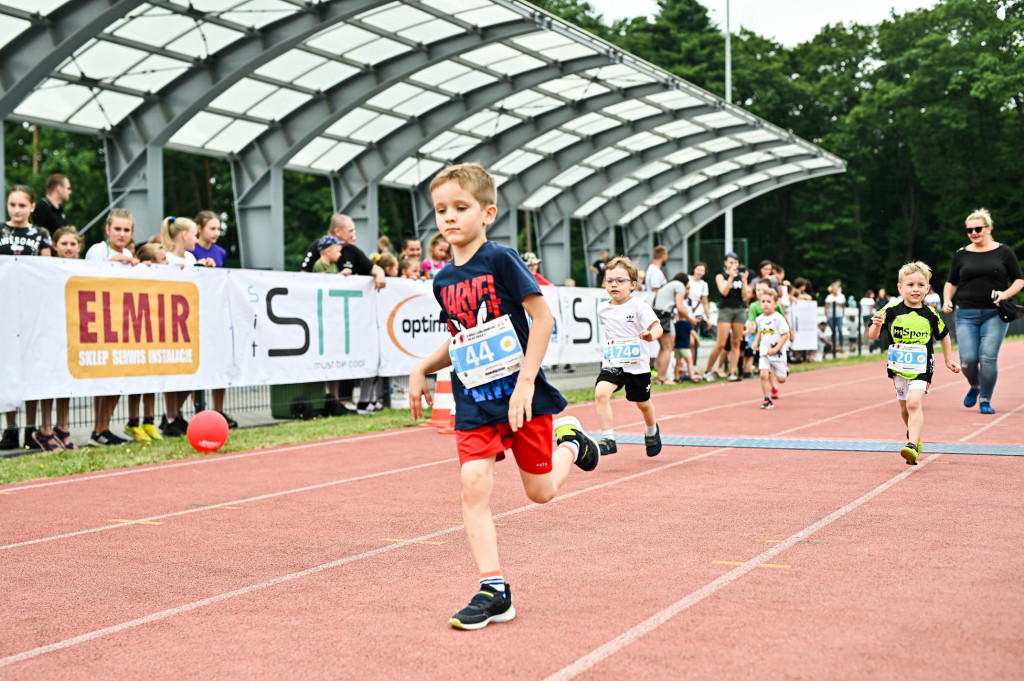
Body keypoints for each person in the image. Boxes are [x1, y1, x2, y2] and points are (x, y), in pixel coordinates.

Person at [408, 162, 599, 630]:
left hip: (522, 397)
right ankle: (494, 590)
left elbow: (543, 319)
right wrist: (420, 367)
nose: (449, 218)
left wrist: (528, 381)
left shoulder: (501, 260)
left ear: (487, 212)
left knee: (540, 493)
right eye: (440, 210)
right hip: (475, 402)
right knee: (473, 484)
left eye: (460, 207)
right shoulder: (441, 281)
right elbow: (461, 340)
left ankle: (571, 443)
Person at [870, 261, 960, 465]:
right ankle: (915, 437)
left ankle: (910, 446)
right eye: (910, 285)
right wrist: (875, 325)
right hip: (899, 368)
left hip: (922, 367)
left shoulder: (930, 314)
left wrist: (948, 359)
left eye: (921, 285)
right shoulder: (890, 310)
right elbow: (873, 335)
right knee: (904, 409)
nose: (915, 289)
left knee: (913, 403)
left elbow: (944, 336)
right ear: (900, 288)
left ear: (928, 288)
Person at [942, 208, 1024, 414]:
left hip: (994, 313)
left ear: (988, 229)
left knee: (987, 358)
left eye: (978, 228)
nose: (974, 233)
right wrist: (946, 300)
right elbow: (951, 282)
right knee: (968, 360)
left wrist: (1004, 295)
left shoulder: (1004, 252)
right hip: (966, 313)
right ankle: (975, 386)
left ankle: (985, 398)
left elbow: (1019, 280)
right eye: (969, 230)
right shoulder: (961, 254)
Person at [594, 256, 664, 457]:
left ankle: (652, 431)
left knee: (642, 403)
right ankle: (608, 438)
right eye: (609, 281)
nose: (614, 285)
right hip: (613, 362)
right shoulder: (602, 308)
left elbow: (656, 326)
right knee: (601, 393)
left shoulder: (639, 307)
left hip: (637, 365)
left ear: (633, 284)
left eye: (620, 280)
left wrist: (651, 335)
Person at [703, 252, 748, 382]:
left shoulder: (741, 277)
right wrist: (731, 278)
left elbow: (745, 296)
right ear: (725, 263)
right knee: (721, 343)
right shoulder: (721, 276)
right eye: (731, 262)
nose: (734, 265)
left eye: (736, 263)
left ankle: (732, 372)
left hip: (739, 310)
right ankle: (708, 371)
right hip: (725, 310)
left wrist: (744, 281)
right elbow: (724, 291)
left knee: (736, 342)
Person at [753, 288, 790, 410]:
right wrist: (755, 343)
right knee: (763, 375)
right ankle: (767, 399)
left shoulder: (778, 318)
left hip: (778, 353)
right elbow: (760, 331)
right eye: (763, 301)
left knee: (781, 379)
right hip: (765, 352)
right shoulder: (760, 319)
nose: (765, 304)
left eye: (768, 301)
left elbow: (785, 335)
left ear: (775, 303)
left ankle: (784, 368)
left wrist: (777, 348)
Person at [651, 272, 688, 384]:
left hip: (657, 315)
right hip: (665, 316)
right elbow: (680, 307)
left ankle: (660, 378)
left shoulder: (668, 285)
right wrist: (691, 319)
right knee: (668, 348)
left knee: (663, 348)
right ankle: (662, 378)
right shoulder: (680, 285)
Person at [686, 262, 711, 337]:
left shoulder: (704, 284)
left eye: (702, 270)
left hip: (696, 314)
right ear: (694, 269)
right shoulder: (687, 279)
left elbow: (705, 303)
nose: (700, 272)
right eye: (698, 269)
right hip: (685, 311)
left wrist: (708, 318)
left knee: (695, 337)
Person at [824, 279, 846, 353]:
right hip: (831, 316)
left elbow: (843, 306)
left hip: (839, 315)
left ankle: (841, 345)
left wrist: (843, 314)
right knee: (833, 331)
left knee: (840, 330)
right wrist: (827, 316)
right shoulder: (829, 297)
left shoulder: (841, 296)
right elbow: (826, 307)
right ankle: (834, 345)